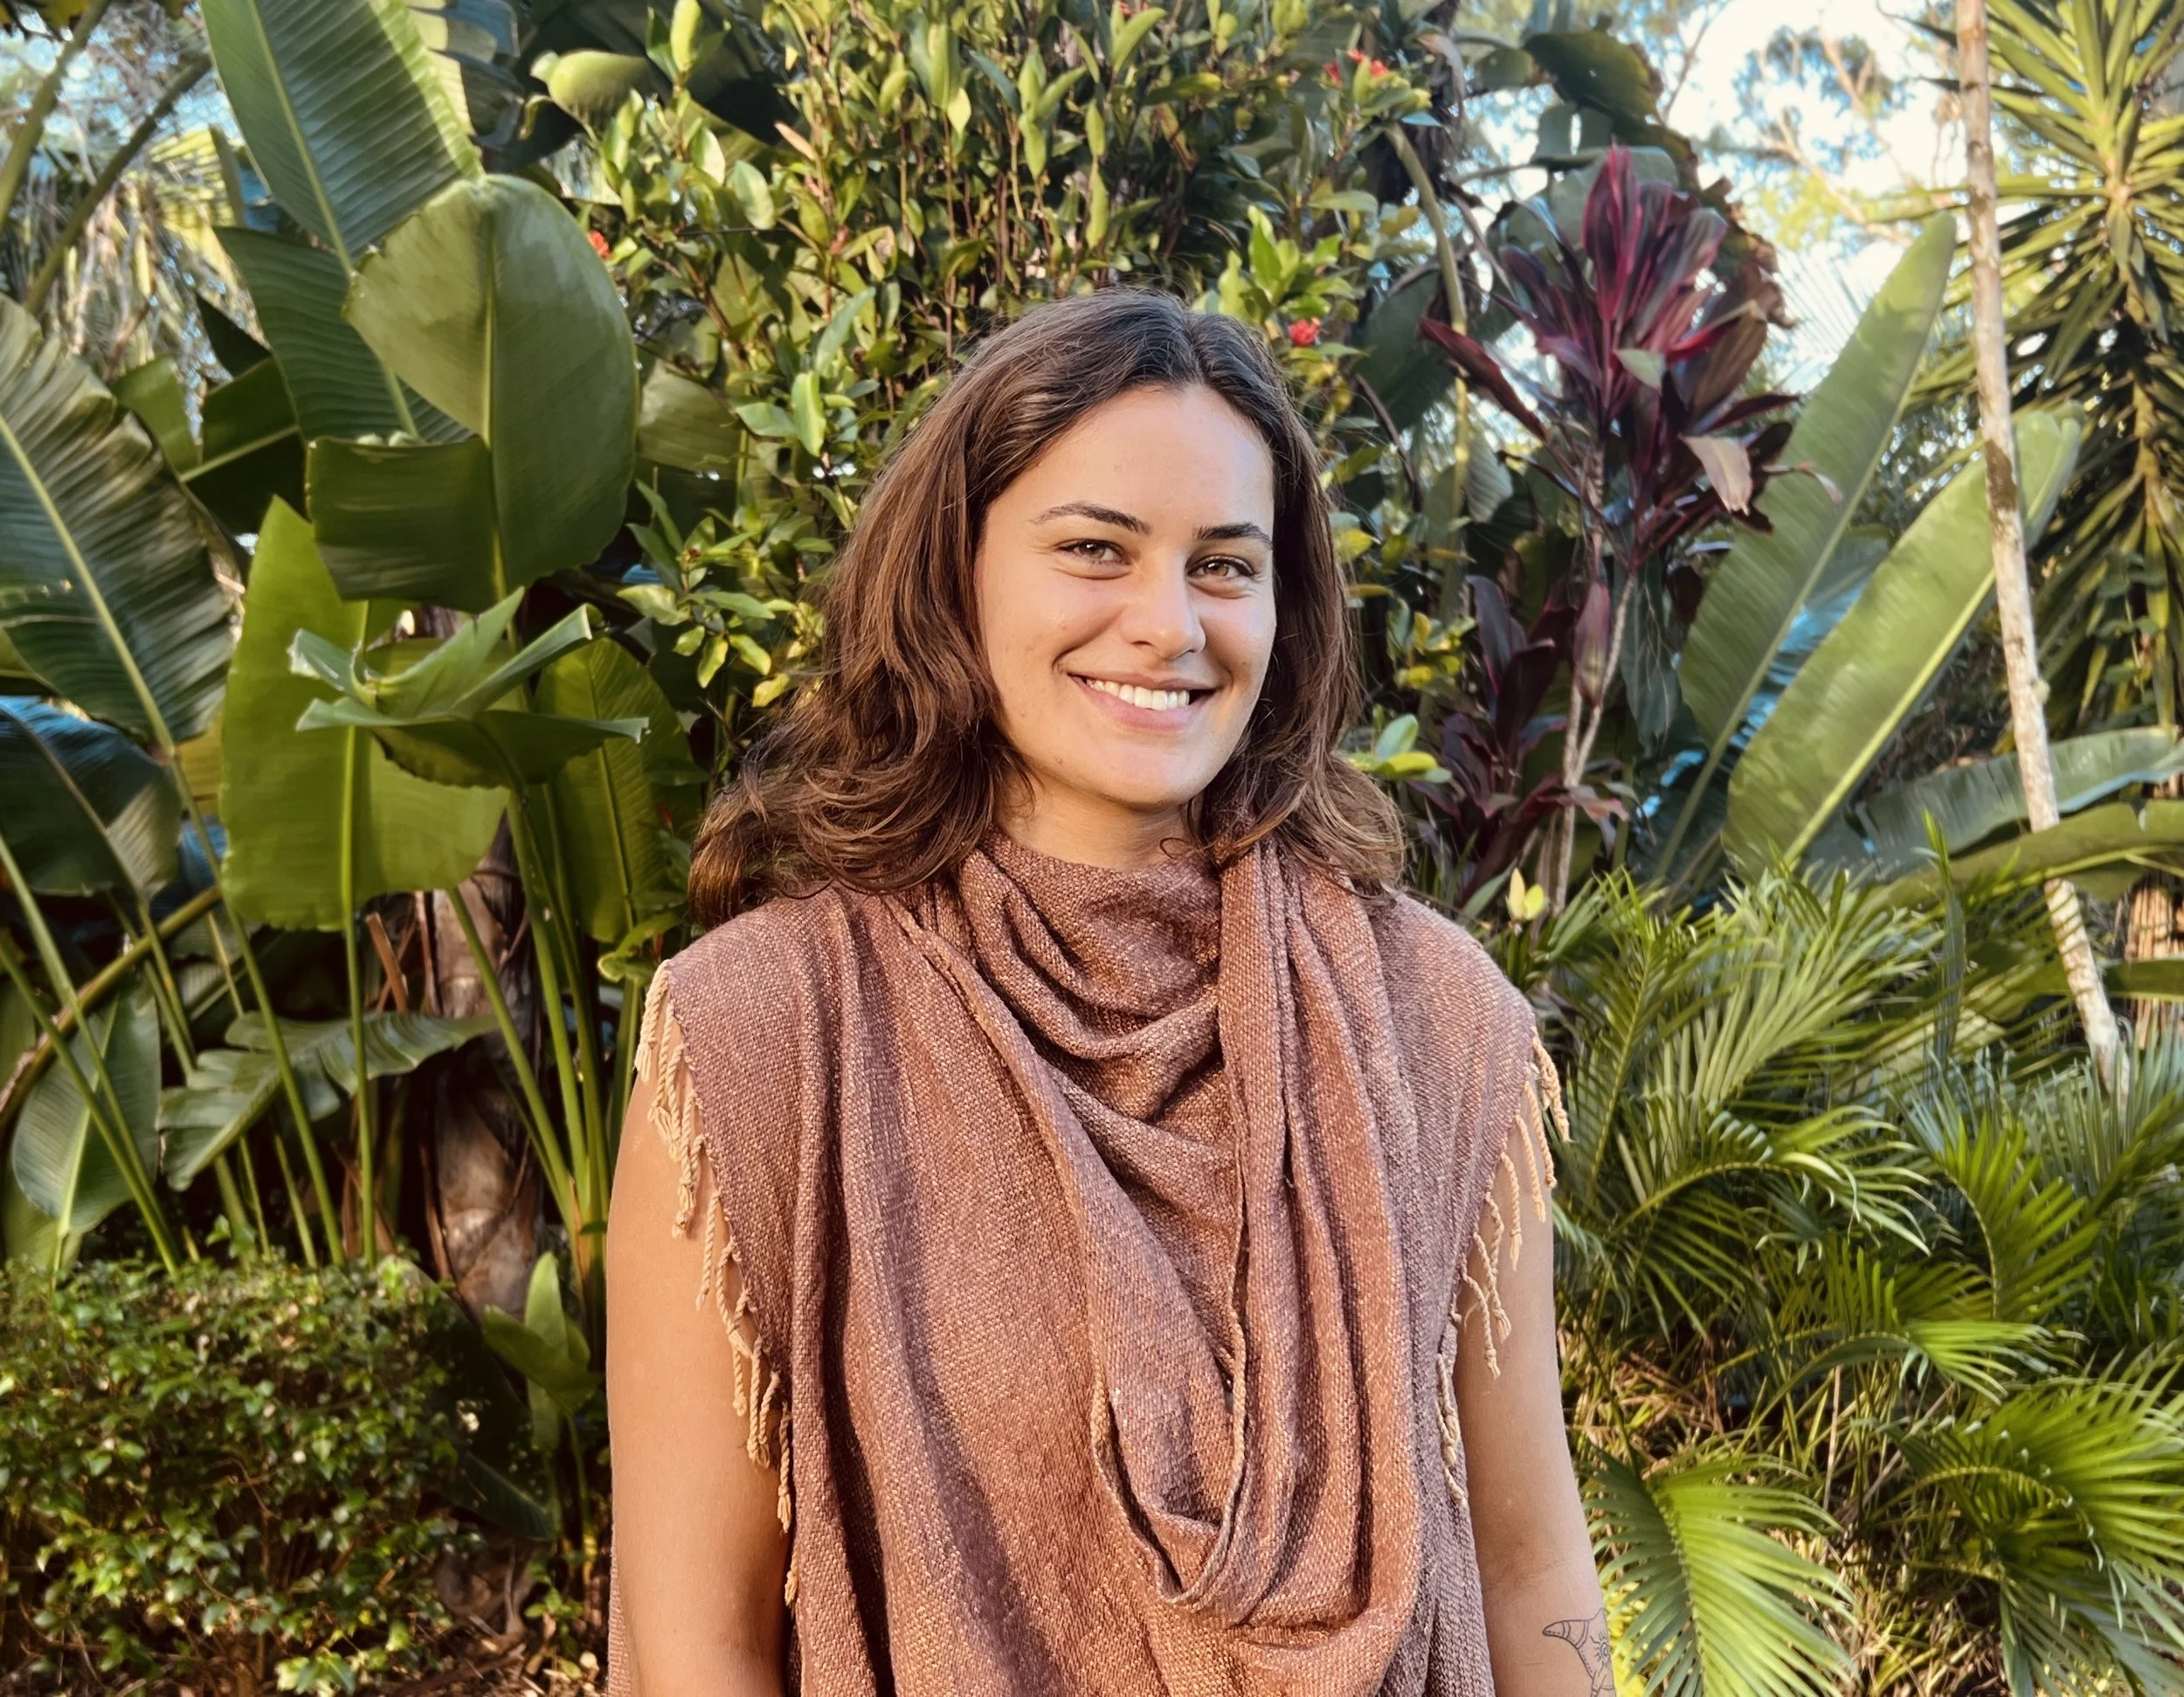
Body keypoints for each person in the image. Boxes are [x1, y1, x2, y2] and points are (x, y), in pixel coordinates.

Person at [604, 287, 1607, 1696]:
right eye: (1095, 549)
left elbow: (1529, 1566)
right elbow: (697, 1646)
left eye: (1224, 565)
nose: (1167, 624)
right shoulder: (762, 1038)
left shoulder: (1435, 1024)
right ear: (958, 572)